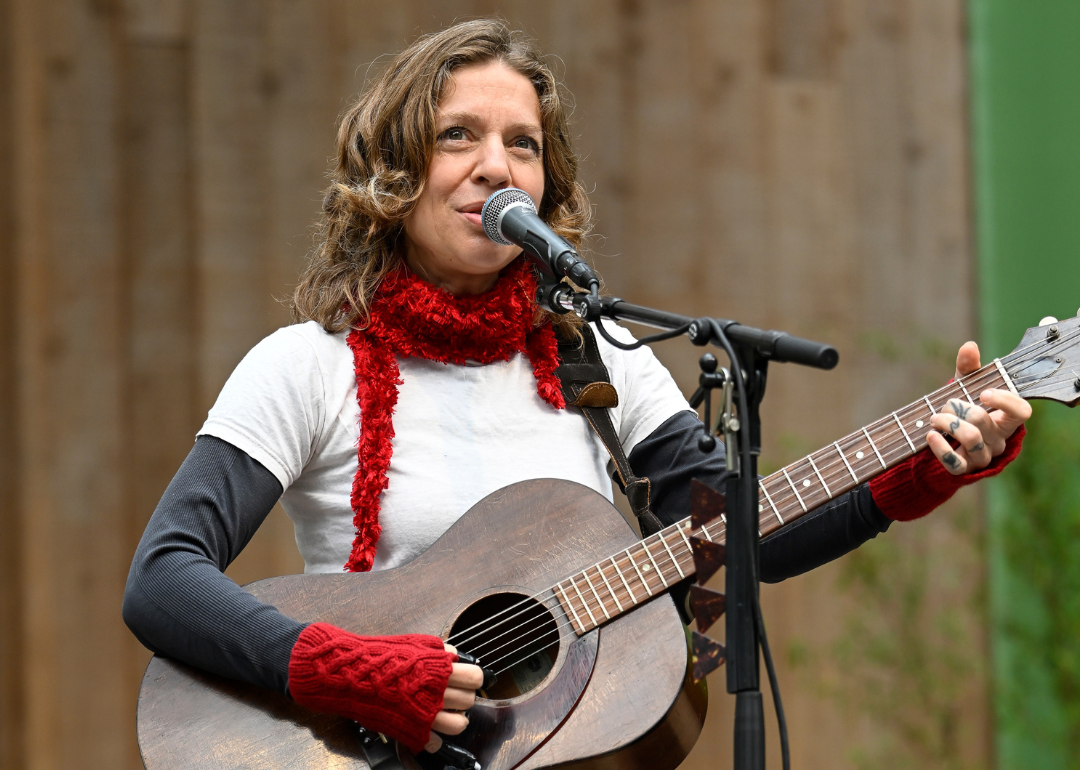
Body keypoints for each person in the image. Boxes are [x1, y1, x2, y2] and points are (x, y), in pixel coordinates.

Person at [122, 18, 1031, 759]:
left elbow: (741, 538)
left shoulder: (602, 360)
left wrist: (925, 469)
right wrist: (347, 670)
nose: (497, 167)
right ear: (393, 178)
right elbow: (163, 580)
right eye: (457, 137)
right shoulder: (308, 366)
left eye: (523, 144)